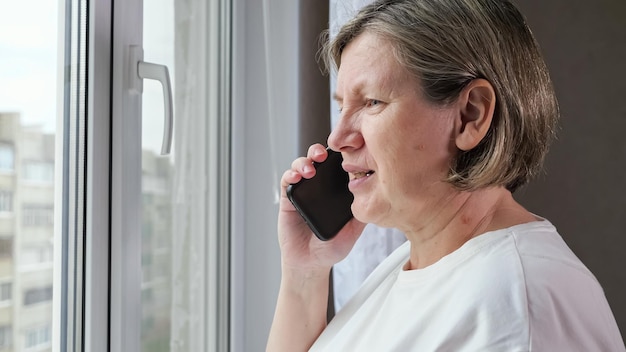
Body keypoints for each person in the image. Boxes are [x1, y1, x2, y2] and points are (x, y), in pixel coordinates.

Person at [267, 0, 626, 351]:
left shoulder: (516, 308)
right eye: (342, 106)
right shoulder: (416, 265)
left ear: (470, 115)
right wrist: (305, 274)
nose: (337, 139)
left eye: (372, 102)